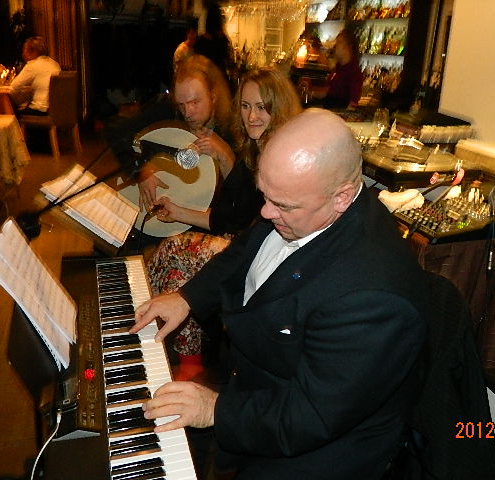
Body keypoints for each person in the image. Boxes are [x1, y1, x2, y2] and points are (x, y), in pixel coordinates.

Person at [132, 108, 429, 478]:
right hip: (255, 389)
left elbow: (311, 416)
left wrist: (214, 410)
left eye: (282, 205)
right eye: (265, 196)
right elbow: (245, 251)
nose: (266, 212)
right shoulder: (296, 204)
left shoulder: (373, 297)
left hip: (316, 450)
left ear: (341, 197)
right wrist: (187, 297)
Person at [146, 67, 302, 369]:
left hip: (266, 254)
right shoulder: (254, 146)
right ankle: (145, 321)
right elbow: (230, 216)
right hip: (243, 241)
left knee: (177, 261)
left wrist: (224, 155)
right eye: (245, 106)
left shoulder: (278, 155)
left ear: (279, 108)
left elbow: (248, 225)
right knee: (172, 252)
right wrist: (178, 211)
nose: (251, 116)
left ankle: (184, 359)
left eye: (262, 107)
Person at [137, 54, 234, 215]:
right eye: (181, 105)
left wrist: (224, 154)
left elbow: (240, 199)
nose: (187, 113)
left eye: (195, 102)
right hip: (167, 210)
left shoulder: (233, 130)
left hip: (209, 217)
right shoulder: (168, 114)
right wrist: (142, 172)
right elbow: (123, 136)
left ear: (213, 96)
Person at [9, 36, 61, 115]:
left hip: (40, 110)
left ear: (32, 51)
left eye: (24, 50)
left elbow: (13, 87)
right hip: (57, 110)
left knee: (9, 113)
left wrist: (18, 102)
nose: (23, 54)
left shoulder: (33, 65)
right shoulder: (54, 64)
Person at [314, 29, 363, 109]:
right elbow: (328, 91)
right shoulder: (338, 68)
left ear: (347, 47)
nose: (335, 46)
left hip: (338, 115)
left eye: (339, 42)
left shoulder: (353, 72)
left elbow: (353, 103)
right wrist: (310, 92)